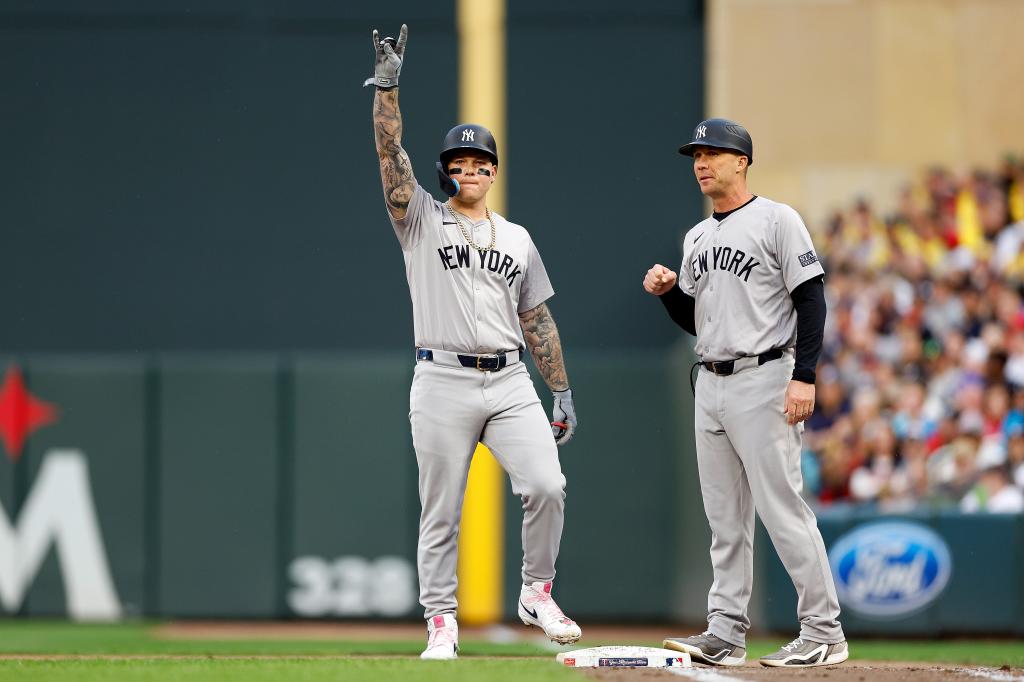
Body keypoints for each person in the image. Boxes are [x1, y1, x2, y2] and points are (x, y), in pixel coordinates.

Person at [365, 25, 581, 660]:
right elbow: (389, 157)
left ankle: (536, 591)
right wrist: (387, 90)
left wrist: (561, 389)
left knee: (547, 484)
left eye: (479, 163)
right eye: (459, 164)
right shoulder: (421, 219)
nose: (470, 171)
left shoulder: (517, 237)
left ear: (493, 170)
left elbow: (537, 319)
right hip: (443, 376)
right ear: (447, 172)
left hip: (511, 377)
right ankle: (441, 623)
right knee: (441, 510)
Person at [642, 119, 848, 668]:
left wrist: (804, 375)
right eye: (696, 155)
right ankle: (726, 632)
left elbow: (811, 299)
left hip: (765, 377)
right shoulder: (696, 237)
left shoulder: (777, 219)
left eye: (712, 153)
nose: (701, 163)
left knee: (783, 509)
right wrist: (668, 295)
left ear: (742, 161)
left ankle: (823, 630)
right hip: (709, 380)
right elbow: (696, 317)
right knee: (724, 519)